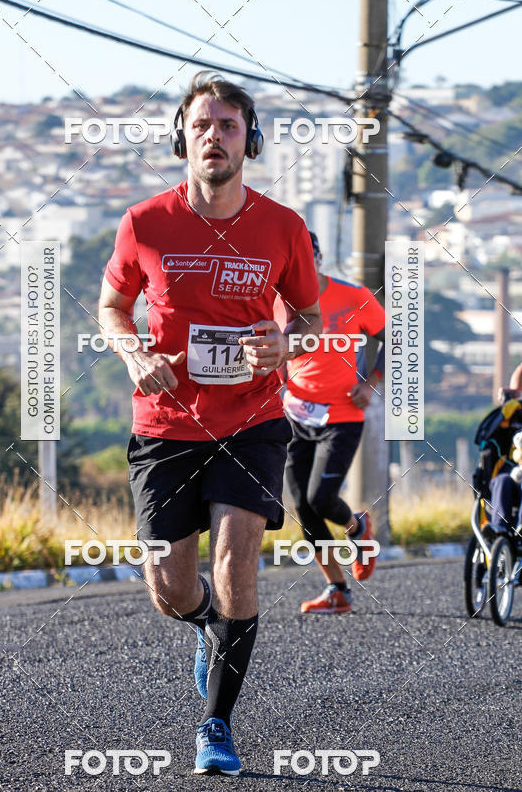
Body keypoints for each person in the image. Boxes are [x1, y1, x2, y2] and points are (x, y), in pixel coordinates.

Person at [98, 71, 321, 776]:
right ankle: (207, 627)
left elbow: (312, 318)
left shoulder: (283, 227)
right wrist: (134, 352)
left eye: (228, 126)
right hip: (166, 423)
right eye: (202, 126)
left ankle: (216, 725)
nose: (214, 137)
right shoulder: (144, 223)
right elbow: (111, 307)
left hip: (252, 419)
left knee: (236, 565)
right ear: (181, 139)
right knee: (170, 585)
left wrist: (289, 344)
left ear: (248, 141)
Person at [278, 232, 385, 614]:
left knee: (320, 499)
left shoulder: (353, 296)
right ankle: (337, 590)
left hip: (342, 415)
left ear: (320, 260)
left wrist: (371, 383)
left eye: (310, 260)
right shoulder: (279, 302)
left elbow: (396, 337)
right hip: (295, 414)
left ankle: (357, 526)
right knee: (303, 508)